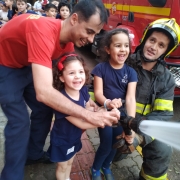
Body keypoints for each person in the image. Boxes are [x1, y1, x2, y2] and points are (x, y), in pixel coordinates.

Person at [0, 1, 119, 180]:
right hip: (5, 65)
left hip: (29, 64)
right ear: (74, 19)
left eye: (95, 34)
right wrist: (89, 116)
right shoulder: (42, 30)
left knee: (45, 109)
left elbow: (60, 85)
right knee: (19, 124)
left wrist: (89, 102)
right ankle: (12, 175)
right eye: (89, 31)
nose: (92, 39)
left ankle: (33, 154)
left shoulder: (68, 45)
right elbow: (45, 92)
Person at [113, 18, 180, 180]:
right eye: (152, 40)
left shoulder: (166, 79)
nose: (154, 47)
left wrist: (139, 137)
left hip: (142, 129)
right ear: (145, 39)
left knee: (162, 150)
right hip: (117, 122)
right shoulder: (124, 63)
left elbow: (162, 115)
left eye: (161, 45)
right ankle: (109, 159)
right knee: (113, 151)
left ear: (166, 51)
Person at [48, 52, 114, 180]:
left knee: (70, 162)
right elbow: (82, 123)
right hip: (62, 141)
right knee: (62, 166)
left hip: (75, 137)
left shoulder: (83, 89)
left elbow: (90, 102)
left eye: (80, 71)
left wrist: (99, 108)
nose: (78, 76)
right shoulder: (62, 101)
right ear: (61, 77)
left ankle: (67, 177)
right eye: (71, 73)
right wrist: (103, 120)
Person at [91, 28, 138, 180]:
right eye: (118, 45)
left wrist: (130, 122)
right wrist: (108, 102)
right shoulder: (100, 69)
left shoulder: (131, 73)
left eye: (126, 45)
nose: (123, 49)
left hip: (122, 115)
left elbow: (130, 98)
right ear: (108, 49)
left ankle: (106, 166)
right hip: (104, 113)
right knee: (105, 144)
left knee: (116, 144)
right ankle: (96, 168)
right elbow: (98, 93)